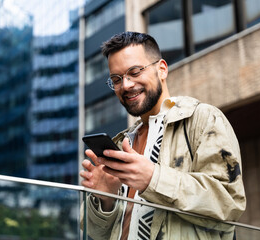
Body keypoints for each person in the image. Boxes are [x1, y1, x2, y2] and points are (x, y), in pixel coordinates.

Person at [80, 31, 246, 240]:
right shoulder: (121, 144)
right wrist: (106, 200)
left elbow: (229, 203)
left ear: (162, 69)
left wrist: (153, 179)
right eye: (116, 79)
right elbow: (94, 233)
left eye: (135, 71)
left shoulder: (203, 119)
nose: (126, 85)